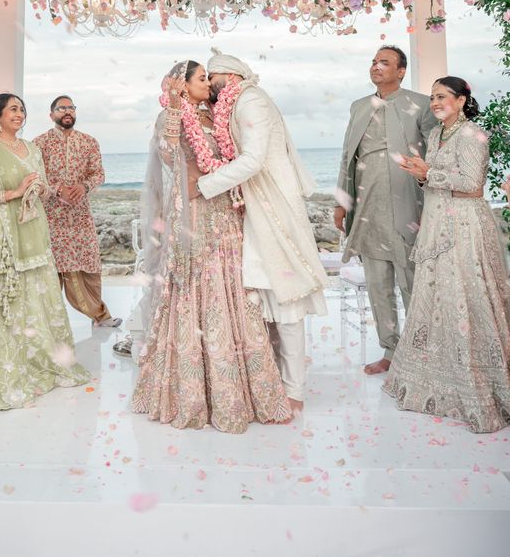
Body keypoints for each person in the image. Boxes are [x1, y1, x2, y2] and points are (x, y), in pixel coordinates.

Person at [132, 60, 292, 432]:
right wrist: (174, 107)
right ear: (183, 86)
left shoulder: (216, 116)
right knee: (200, 292)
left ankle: (245, 387)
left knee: (235, 290)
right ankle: (197, 391)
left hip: (226, 211)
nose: (208, 83)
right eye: (202, 78)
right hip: (195, 218)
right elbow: (169, 156)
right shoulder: (171, 117)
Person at [197, 50, 328, 414]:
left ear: (231, 77)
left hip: (274, 206)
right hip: (257, 205)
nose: (210, 84)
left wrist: (207, 184)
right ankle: (270, 381)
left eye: (213, 77)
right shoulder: (237, 102)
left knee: (287, 297)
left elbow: (253, 160)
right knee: (265, 296)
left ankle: (294, 392)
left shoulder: (251, 100)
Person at [384, 77, 510, 432]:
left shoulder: (472, 134)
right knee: (435, 299)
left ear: (461, 99)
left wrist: (429, 172)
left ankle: (478, 382)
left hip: (465, 227)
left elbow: (472, 184)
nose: (435, 102)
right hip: (438, 224)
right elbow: (441, 178)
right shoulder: (438, 134)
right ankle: (433, 378)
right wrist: (423, 176)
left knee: (466, 298)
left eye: (441, 97)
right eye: (432, 97)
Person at [0, 93, 90, 410]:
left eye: (22, 109)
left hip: (32, 229)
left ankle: (35, 363)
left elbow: (42, 188)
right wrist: (15, 192)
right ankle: (2, 369)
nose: (19, 113)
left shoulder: (33, 149)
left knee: (36, 297)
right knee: (1, 296)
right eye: (13, 108)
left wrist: (38, 189)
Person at [334, 45, 436, 375]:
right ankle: (390, 351)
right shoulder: (358, 106)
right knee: (378, 284)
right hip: (367, 206)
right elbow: (347, 156)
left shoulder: (421, 104)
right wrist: (342, 201)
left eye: (385, 62)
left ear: (401, 71)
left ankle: (422, 354)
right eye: (374, 61)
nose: (376, 67)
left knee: (412, 282)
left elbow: (434, 153)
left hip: (408, 202)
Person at [34, 96, 121, 329]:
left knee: (88, 266)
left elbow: (98, 174)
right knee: (51, 270)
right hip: (51, 218)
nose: (67, 112)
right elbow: (35, 176)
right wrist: (57, 190)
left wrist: (83, 187)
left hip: (80, 217)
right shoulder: (39, 143)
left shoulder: (89, 142)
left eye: (71, 107)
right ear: (51, 114)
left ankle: (100, 316)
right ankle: (47, 324)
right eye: (61, 108)